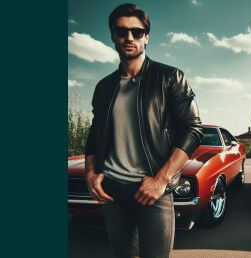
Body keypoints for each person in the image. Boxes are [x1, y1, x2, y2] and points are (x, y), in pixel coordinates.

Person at [83, 3, 203, 258]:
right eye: (122, 31)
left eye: (137, 32)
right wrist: (91, 173)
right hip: (112, 190)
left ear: (146, 37)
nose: (129, 38)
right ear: (113, 36)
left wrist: (160, 180)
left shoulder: (171, 77)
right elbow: (94, 135)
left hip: (152, 190)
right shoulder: (104, 87)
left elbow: (192, 130)